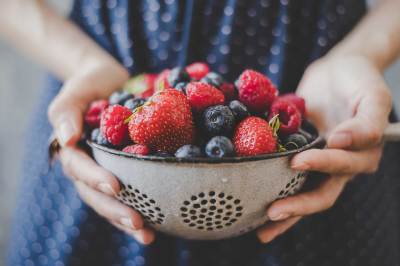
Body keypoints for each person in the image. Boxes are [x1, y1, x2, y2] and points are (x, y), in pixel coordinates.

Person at [1, 0, 400, 265]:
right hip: (109, 92)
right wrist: (82, 63)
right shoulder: (127, 113)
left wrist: (361, 52)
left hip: (318, 107)